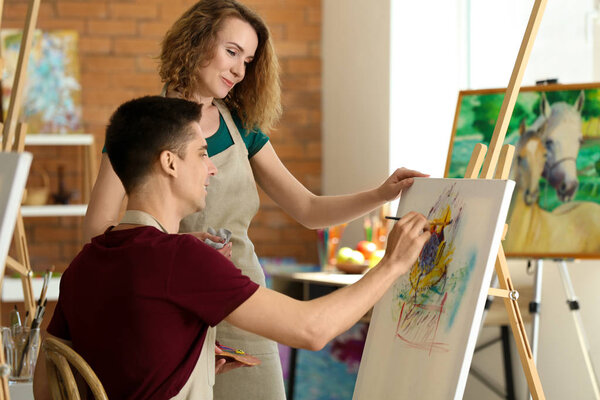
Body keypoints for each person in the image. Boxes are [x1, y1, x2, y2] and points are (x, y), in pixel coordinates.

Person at [82, 1, 429, 398]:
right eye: (231, 52)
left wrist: (381, 194)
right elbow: (96, 232)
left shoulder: (241, 128)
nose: (239, 70)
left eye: (247, 60)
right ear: (195, 43)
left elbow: (309, 210)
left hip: (243, 303)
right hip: (170, 306)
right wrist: (172, 247)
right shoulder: (143, 128)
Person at [35, 96, 430, 399]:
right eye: (203, 153)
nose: (212, 168)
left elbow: (46, 384)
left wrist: (187, 365)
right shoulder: (181, 258)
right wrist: (392, 264)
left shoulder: (85, 263)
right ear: (170, 163)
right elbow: (311, 329)